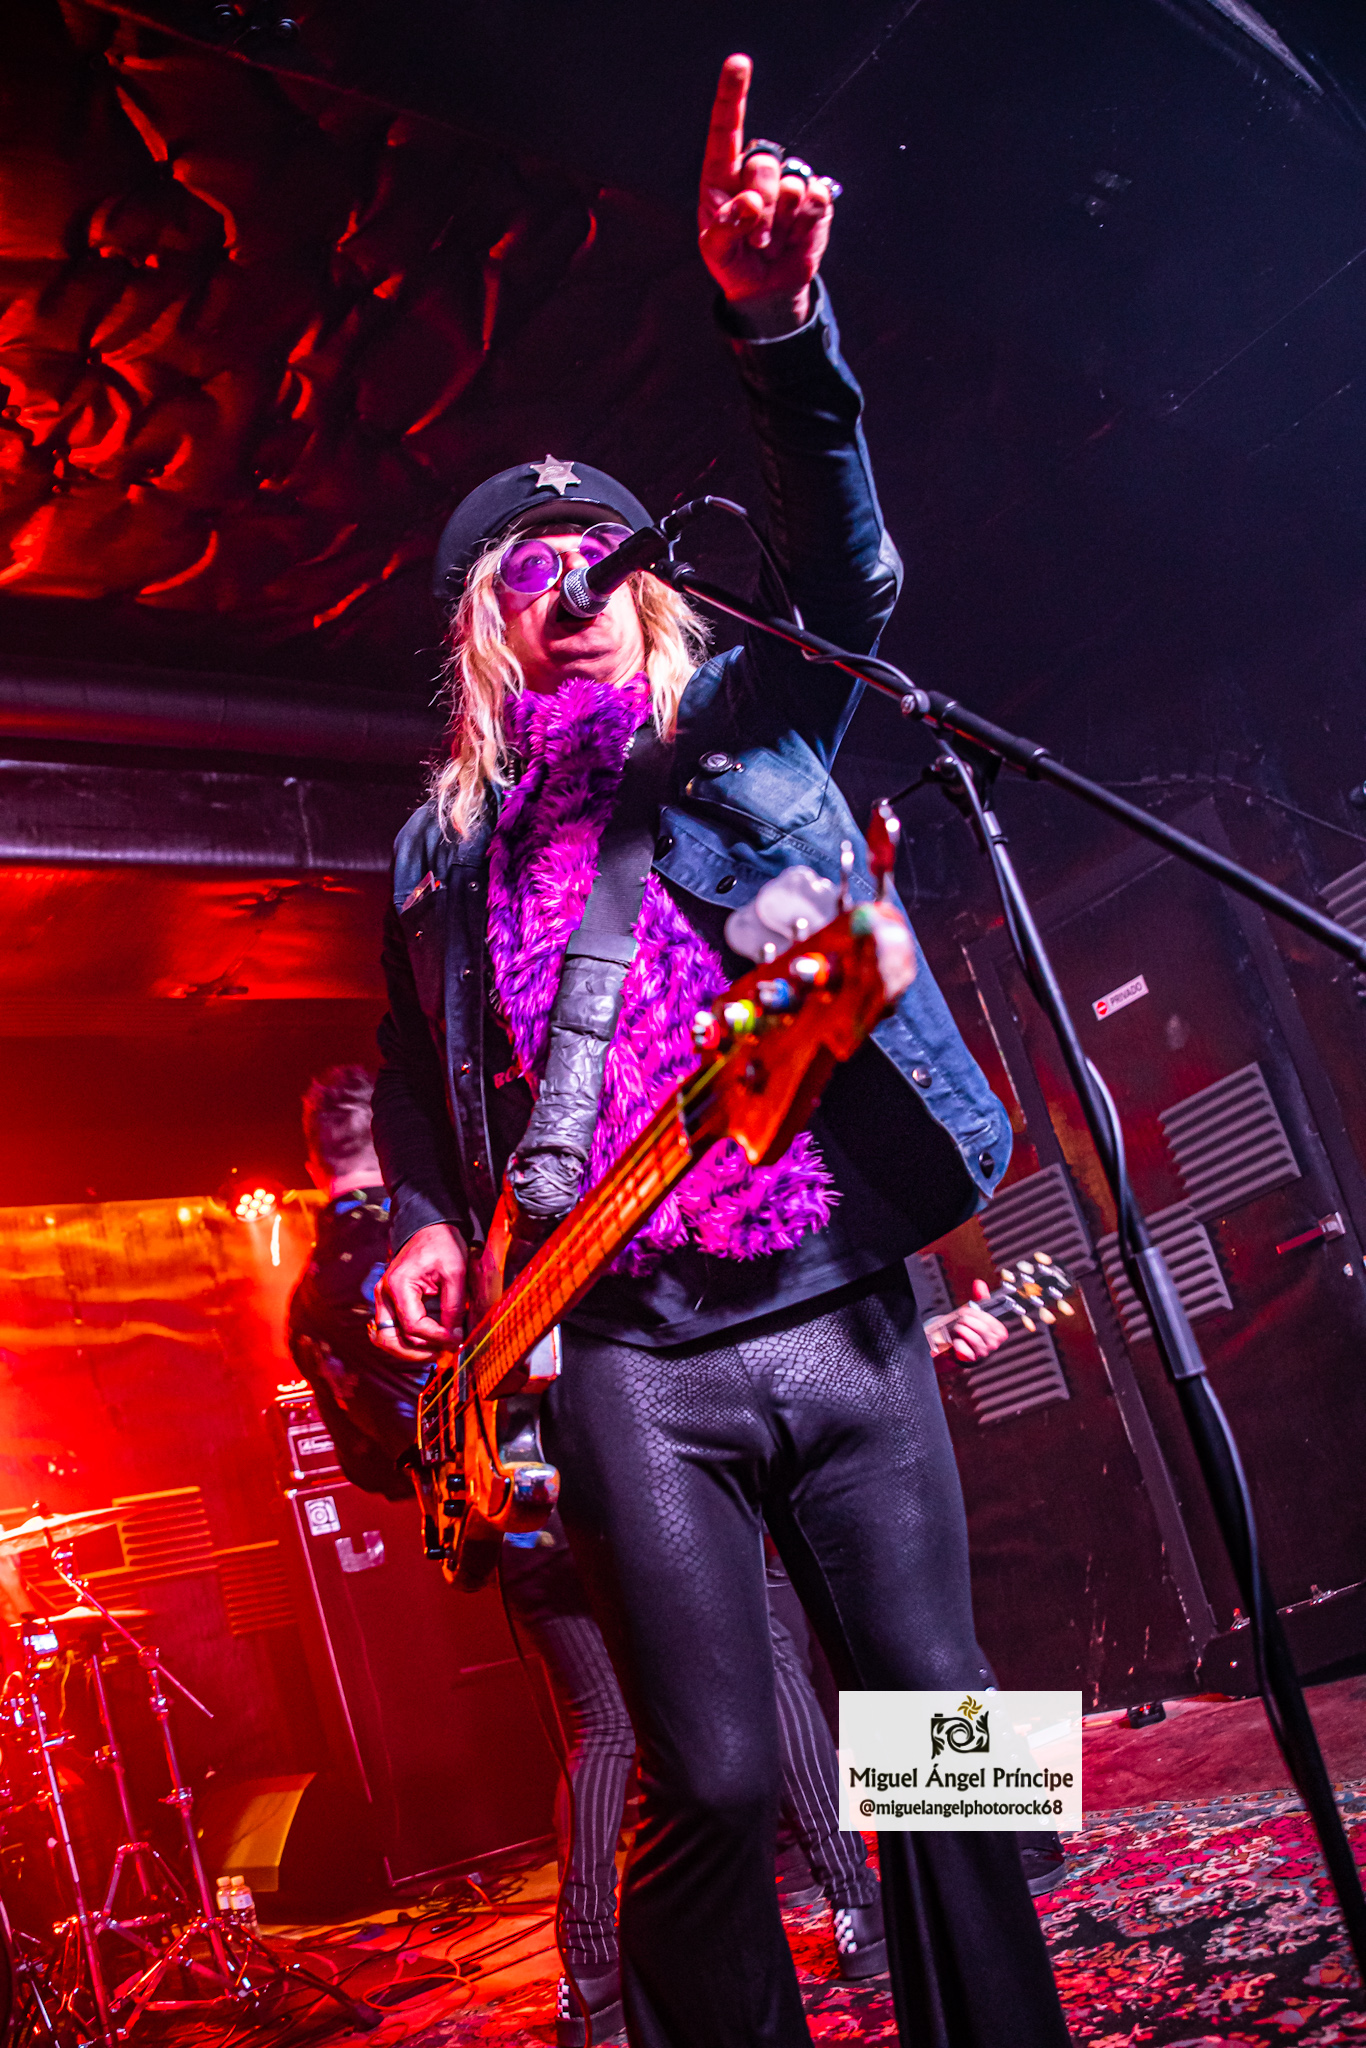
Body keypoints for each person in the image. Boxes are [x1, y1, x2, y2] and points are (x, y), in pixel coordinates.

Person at [369, 51, 1070, 2048]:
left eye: (598, 557)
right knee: (720, 1772)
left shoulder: (748, 728)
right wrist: (422, 1218)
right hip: (628, 1356)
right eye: (525, 576)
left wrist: (779, 327)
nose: (568, 588)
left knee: (941, 1732)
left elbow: (851, 573)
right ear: (490, 633)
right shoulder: (437, 852)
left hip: (838, 1307)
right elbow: (419, 1084)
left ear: (646, 592)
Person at [290, 1069, 999, 2045]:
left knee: (650, 1733)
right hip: (606, 1417)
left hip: (529, 1487)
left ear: (313, 1159)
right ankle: (876, 1899)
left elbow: (371, 1459)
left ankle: (596, 1972)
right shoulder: (457, 1228)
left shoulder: (313, 1296)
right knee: (778, 1709)